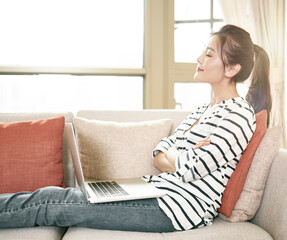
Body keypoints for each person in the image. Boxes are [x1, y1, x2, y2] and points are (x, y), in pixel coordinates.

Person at [0, 24, 271, 232]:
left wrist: (177, 155)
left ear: (232, 68)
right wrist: (181, 153)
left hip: (175, 208)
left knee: (51, 202)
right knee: (59, 195)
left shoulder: (238, 113)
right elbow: (158, 154)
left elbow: (193, 168)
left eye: (209, 54)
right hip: (156, 191)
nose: (199, 58)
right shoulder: (202, 110)